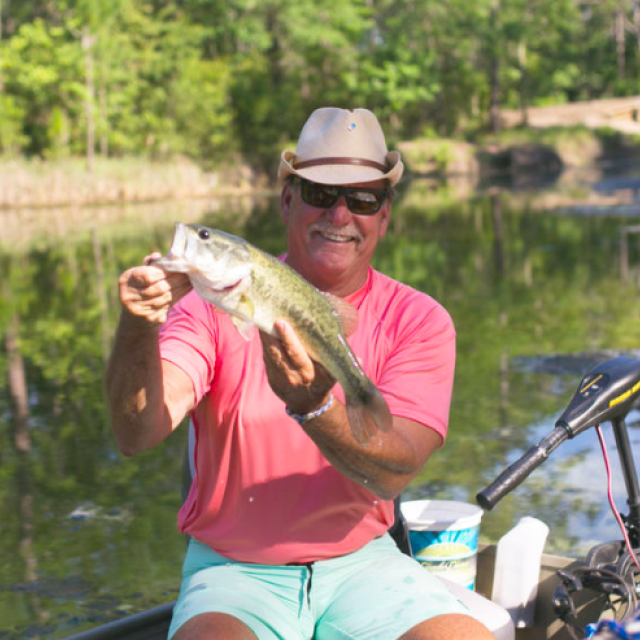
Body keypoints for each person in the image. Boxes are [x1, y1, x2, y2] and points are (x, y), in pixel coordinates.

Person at [105, 107, 496, 640]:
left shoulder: (420, 320)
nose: (339, 215)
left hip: (366, 565)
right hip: (232, 571)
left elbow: (392, 473)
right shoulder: (204, 306)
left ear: (384, 215)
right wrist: (137, 327)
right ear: (287, 199)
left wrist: (315, 407)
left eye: (362, 199)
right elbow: (135, 432)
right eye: (319, 193)